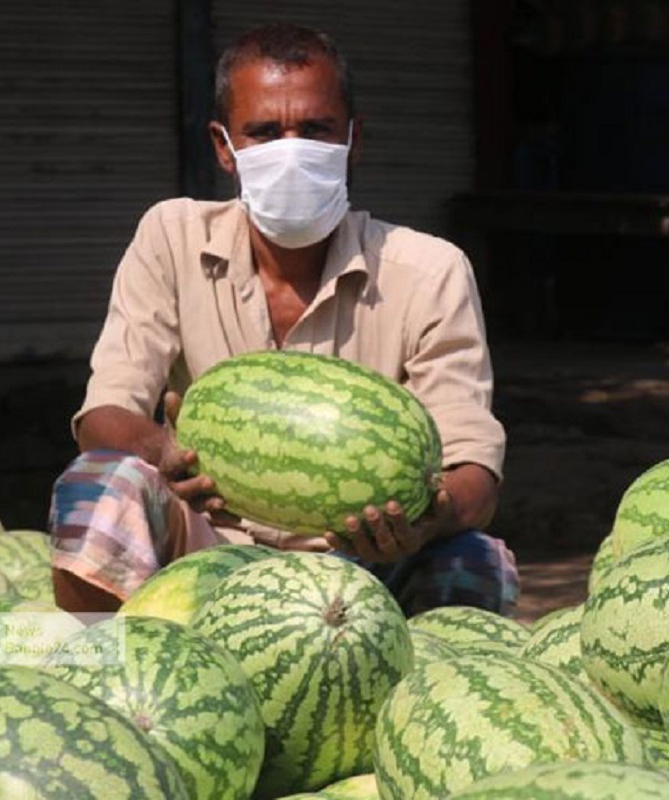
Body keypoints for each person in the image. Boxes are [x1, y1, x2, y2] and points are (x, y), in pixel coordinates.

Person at [49, 21, 518, 617]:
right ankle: (105, 678)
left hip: (363, 563)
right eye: (265, 132)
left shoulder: (430, 270)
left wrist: (427, 520)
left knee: (476, 560)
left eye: (316, 130)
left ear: (353, 139)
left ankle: (416, 703)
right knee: (98, 485)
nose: (291, 150)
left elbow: (473, 469)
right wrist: (164, 451)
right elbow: (104, 415)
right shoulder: (171, 236)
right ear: (225, 147)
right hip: (205, 543)